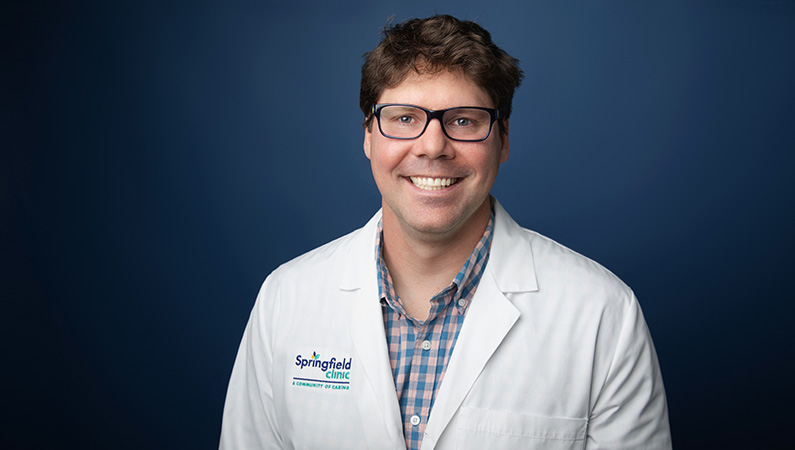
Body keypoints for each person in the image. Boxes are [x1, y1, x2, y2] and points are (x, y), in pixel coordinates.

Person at [220, 14, 671, 450]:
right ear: (368, 137)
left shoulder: (603, 314)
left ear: (503, 139)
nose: (433, 146)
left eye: (463, 120)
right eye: (403, 119)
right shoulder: (286, 298)